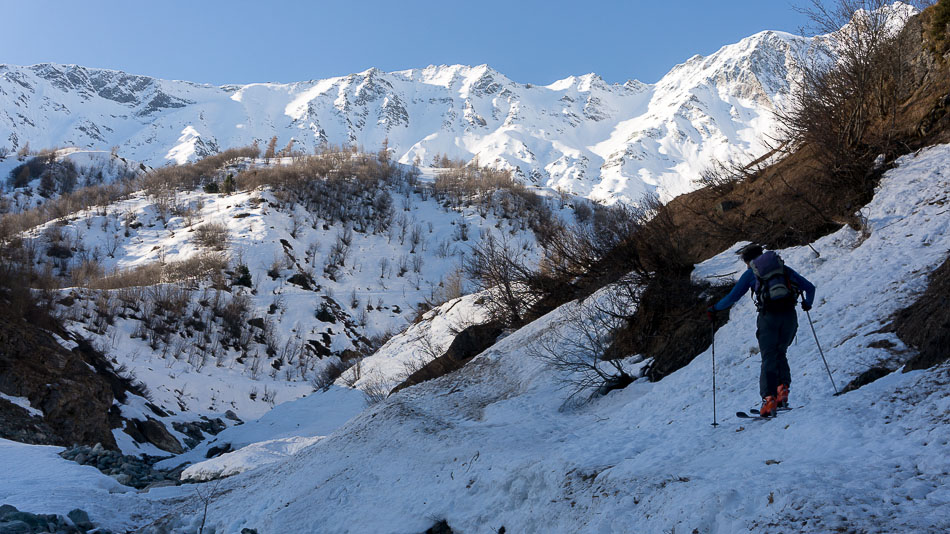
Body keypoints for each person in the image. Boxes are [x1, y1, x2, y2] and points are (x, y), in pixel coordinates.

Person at [706, 244, 816, 417]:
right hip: (789, 317)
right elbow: (810, 288)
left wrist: (714, 308)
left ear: (748, 261)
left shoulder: (751, 273)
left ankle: (769, 400)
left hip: (768, 318)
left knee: (768, 357)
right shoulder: (783, 269)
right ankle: (782, 392)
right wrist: (807, 304)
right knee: (780, 353)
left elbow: (732, 297)